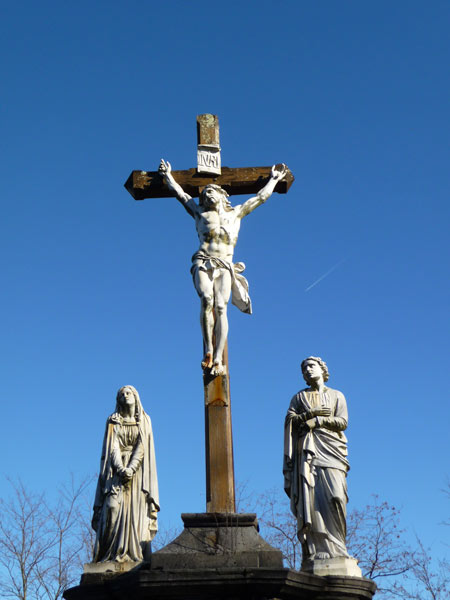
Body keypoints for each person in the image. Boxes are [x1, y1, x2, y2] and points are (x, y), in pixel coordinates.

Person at [158, 159, 287, 376]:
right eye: (205, 192)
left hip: (225, 264)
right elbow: (181, 195)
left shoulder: (235, 214)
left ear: (221, 196)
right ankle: (208, 348)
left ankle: (218, 356)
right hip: (203, 260)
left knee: (221, 307)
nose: (207, 194)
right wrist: (168, 176)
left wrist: (273, 180)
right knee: (206, 299)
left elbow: (260, 198)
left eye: (212, 192)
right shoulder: (200, 213)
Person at [283, 357, 351, 565]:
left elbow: (343, 421)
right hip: (308, 451)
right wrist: (310, 414)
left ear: (322, 369)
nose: (307, 370)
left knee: (336, 497)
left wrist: (319, 420)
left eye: (311, 366)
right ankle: (317, 547)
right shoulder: (299, 398)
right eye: (304, 369)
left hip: (332, 451)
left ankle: (339, 547)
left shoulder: (337, 395)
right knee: (311, 499)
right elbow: (290, 421)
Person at [92, 386, 159, 563]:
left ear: (136, 397)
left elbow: (143, 446)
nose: (125, 395)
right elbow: (111, 446)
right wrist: (121, 468)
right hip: (116, 472)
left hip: (137, 475)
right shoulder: (113, 421)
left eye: (128, 393)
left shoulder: (144, 420)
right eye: (121, 394)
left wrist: (131, 468)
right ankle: (107, 555)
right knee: (112, 508)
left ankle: (133, 555)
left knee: (137, 518)